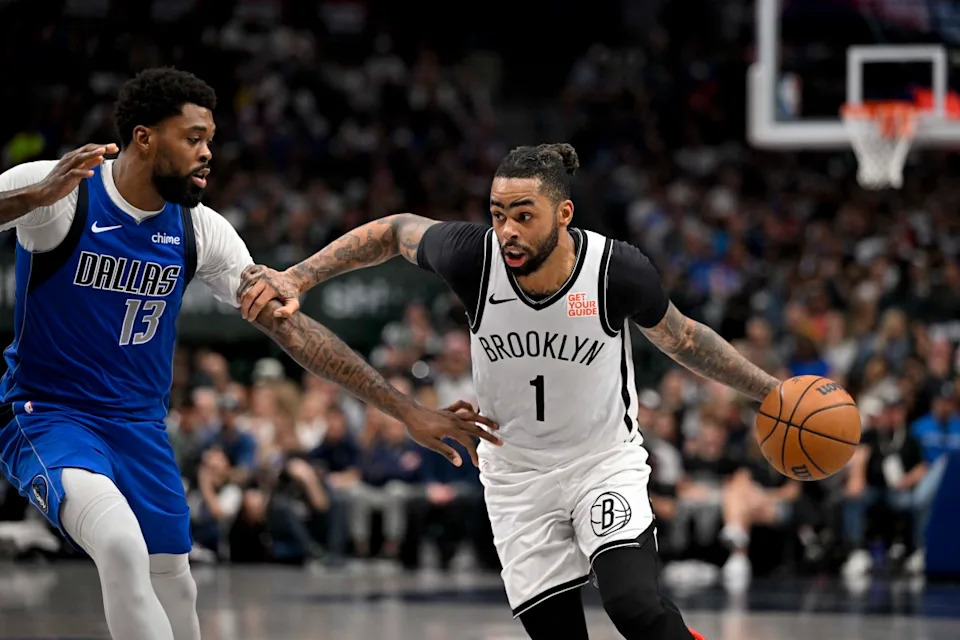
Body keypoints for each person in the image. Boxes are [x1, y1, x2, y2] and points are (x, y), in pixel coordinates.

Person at [0, 67, 497, 640]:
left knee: (176, 585)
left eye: (210, 139)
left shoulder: (201, 231)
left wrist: (405, 410)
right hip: (49, 415)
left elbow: (295, 331)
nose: (208, 154)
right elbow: (26, 201)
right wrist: (32, 198)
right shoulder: (59, 189)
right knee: (118, 544)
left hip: (139, 426)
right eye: (193, 139)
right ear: (144, 137)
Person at [240, 143, 782, 640]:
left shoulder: (616, 270)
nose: (507, 231)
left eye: (524, 216)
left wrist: (770, 391)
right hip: (516, 479)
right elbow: (392, 231)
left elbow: (684, 337)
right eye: (498, 215)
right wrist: (297, 278)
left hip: (600, 463)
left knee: (636, 608)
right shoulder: (472, 258)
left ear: (563, 215)